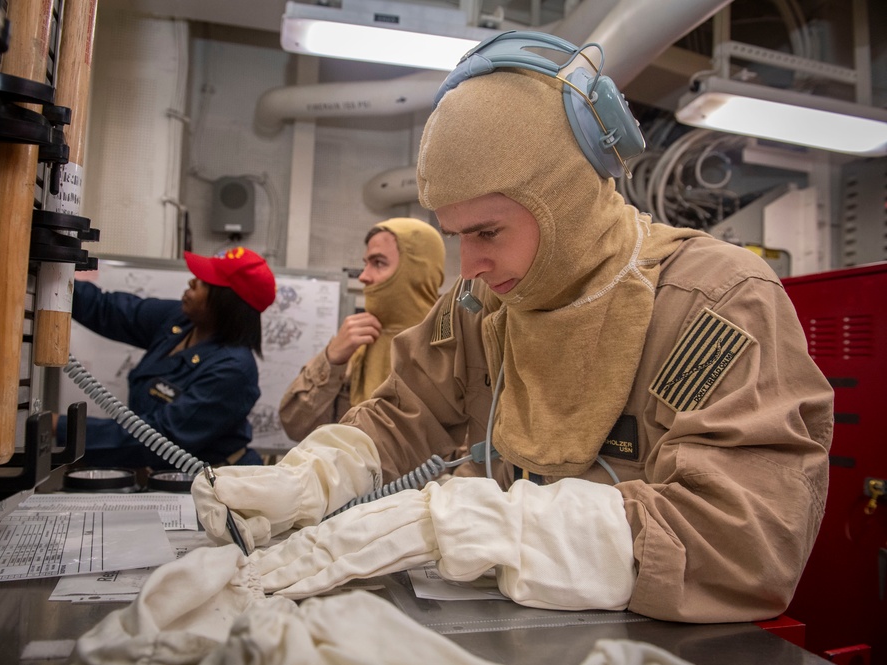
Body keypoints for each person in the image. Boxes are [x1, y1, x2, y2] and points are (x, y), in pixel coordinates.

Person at [191, 32, 833, 624]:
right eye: (455, 235)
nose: (467, 265)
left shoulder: (714, 301)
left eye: (487, 231)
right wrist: (311, 477)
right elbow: (401, 415)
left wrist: (469, 528)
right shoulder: (482, 303)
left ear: (567, 200)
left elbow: (746, 542)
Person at [57, 247, 276, 469]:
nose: (193, 282)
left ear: (228, 302)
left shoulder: (233, 370)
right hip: (163, 475)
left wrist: (62, 429)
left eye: (206, 281)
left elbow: (159, 439)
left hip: (206, 485)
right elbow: (108, 310)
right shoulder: (180, 321)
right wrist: (53, 279)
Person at [278, 218, 445, 441]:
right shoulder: (354, 343)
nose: (364, 276)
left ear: (416, 271)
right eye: (366, 263)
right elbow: (294, 426)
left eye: (378, 263)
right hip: (346, 474)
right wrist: (331, 359)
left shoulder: (449, 349)